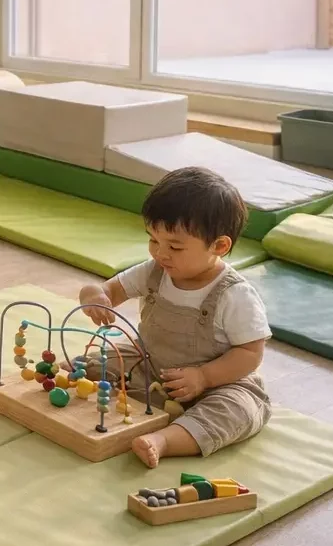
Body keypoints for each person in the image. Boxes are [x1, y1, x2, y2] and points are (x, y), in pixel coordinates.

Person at [77, 166, 273, 469]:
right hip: (153, 365)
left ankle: (165, 440)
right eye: (153, 240)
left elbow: (251, 353)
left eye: (175, 246)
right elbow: (107, 289)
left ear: (219, 246)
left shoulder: (234, 295)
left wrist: (205, 376)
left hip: (217, 383)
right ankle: (73, 372)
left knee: (237, 410)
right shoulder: (155, 270)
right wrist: (94, 298)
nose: (160, 253)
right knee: (104, 360)